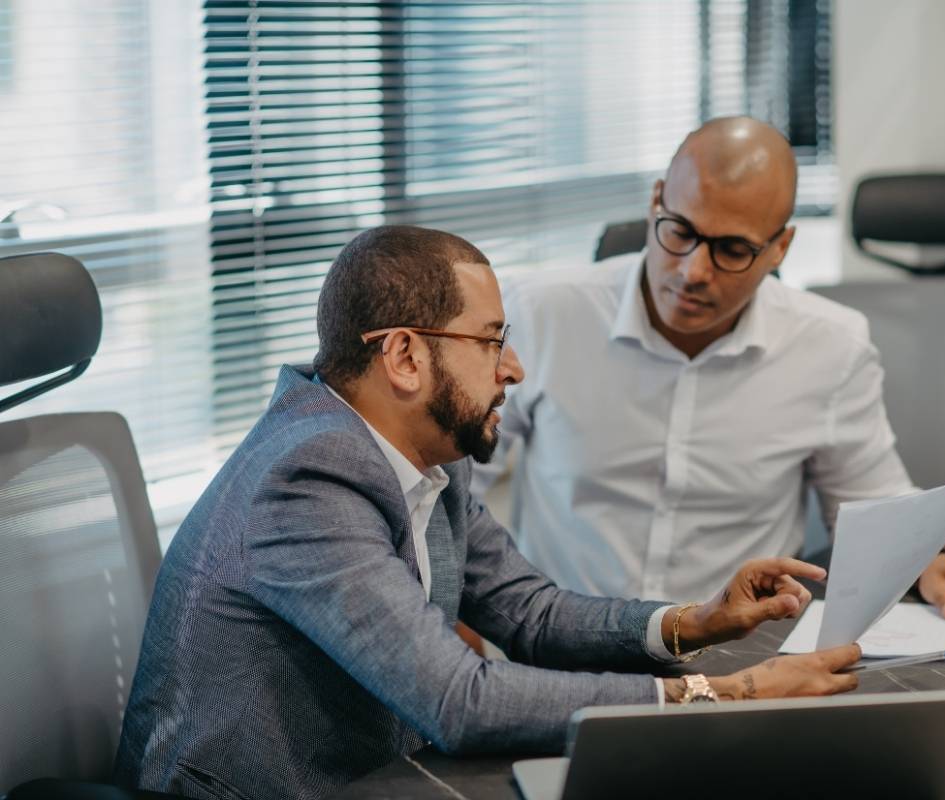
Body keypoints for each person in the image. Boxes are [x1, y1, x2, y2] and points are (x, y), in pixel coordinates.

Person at [114, 225, 862, 800]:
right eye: (491, 341)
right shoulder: (307, 478)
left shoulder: (426, 456)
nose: (513, 368)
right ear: (405, 357)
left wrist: (691, 624)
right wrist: (723, 694)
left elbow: (527, 612)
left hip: (386, 777)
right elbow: (458, 700)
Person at [471, 117, 945, 621]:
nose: (693, 271)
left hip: (741, 658)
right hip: (566, 648)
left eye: (733, 249)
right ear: (656, 201)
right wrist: (460, 617)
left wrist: (932, 560)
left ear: (780, 248)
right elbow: (455, 488)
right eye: (680, 232)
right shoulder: (542, 313)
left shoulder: (830, 345)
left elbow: (872, 508)